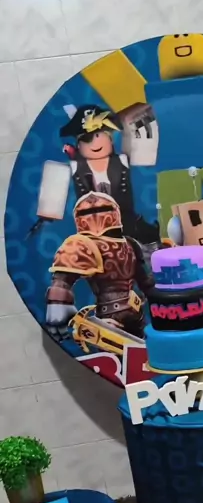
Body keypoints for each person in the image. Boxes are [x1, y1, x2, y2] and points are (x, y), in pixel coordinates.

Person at [45, 192, 154, 341]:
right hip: (109, 319)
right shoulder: (82, 244)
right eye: (87, 212)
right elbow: (62, 281)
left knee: (141, 350)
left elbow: (146, 281)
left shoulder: (130, 244)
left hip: (135, 313)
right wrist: (58, 303)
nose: (96, 216)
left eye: (103, 209)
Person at [58, 105, 159, 245]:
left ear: (110, 139)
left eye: (98, 135)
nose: (95, 143)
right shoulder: (77, 167)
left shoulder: (120, 161)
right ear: (79, 145)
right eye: (87, 139)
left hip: (128, 224)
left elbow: (141, 125)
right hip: (94, 232)